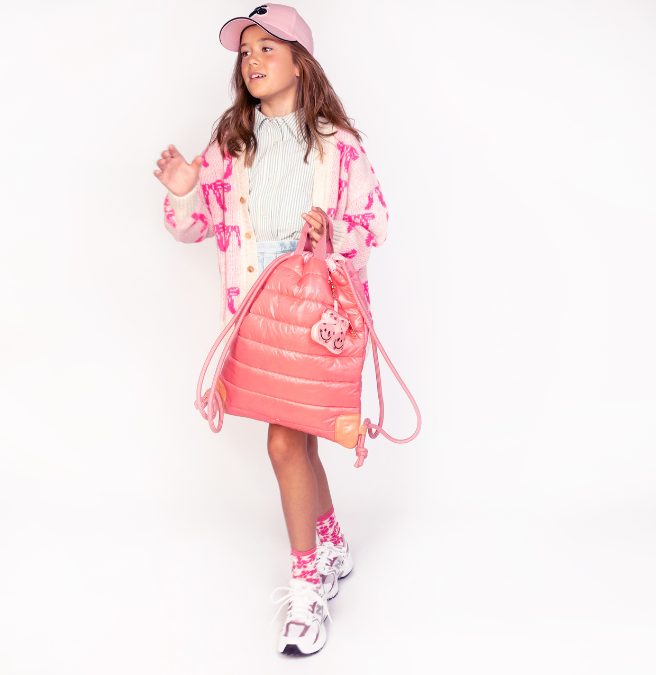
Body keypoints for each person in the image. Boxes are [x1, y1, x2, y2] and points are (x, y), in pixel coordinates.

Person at [154, 3, 389, 656]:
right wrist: (184, 189)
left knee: (287, 440)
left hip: (319, 316)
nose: (253, 61)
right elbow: (193, 227)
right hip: (256, 310)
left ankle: (306, 584)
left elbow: (373, 223)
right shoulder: (231, 144)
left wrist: (331, 233)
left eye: (266, 48)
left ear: (299, 62)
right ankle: (331, 543)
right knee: (297, 437)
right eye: (245, 52)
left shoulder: (339, 146)